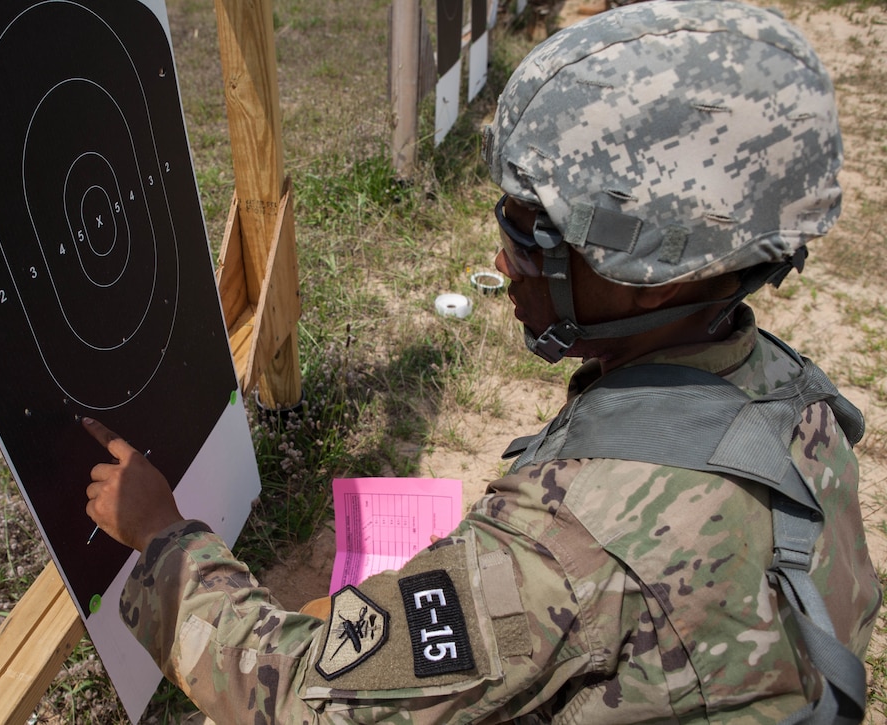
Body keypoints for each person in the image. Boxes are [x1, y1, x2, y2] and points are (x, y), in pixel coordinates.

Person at [83, 1, 882, 721]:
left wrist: (165, 541)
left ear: (649, 276)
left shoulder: (564, 549)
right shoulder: (791, 395)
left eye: (534, 234)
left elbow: (300, 694)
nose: (505, 263)